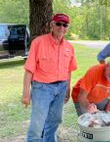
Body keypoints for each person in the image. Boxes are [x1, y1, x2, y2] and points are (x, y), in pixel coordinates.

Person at [22, 13, 77, 142]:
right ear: (52, 24)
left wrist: (68, 88)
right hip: (42, 88)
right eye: (58, 24)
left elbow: (69, 70)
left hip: (62, 87)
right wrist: (26, 94)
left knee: (54, 121)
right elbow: (29, 69)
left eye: (65, 25)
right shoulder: (38, 42)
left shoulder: (69, 47)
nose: (61, 27)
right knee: (37, 124)